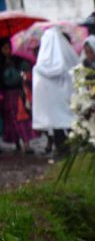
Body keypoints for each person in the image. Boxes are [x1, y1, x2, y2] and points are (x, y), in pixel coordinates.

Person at [31, 28, 77, 157]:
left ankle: (62, 151)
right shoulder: (68, 61)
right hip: (66, 102)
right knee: (70, 124)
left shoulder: (39, 68)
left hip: (51, 106)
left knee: (57, 128)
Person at [1, 37, 33, 153]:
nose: (6, 50)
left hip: (19, 94)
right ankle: (16, 142)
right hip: (6, 96)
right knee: (10, 120)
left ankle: (26, 143)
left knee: (22, 119)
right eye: (4, 48)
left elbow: (26, 75)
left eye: (8, 47)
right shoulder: (2, 63)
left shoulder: (19, 61)